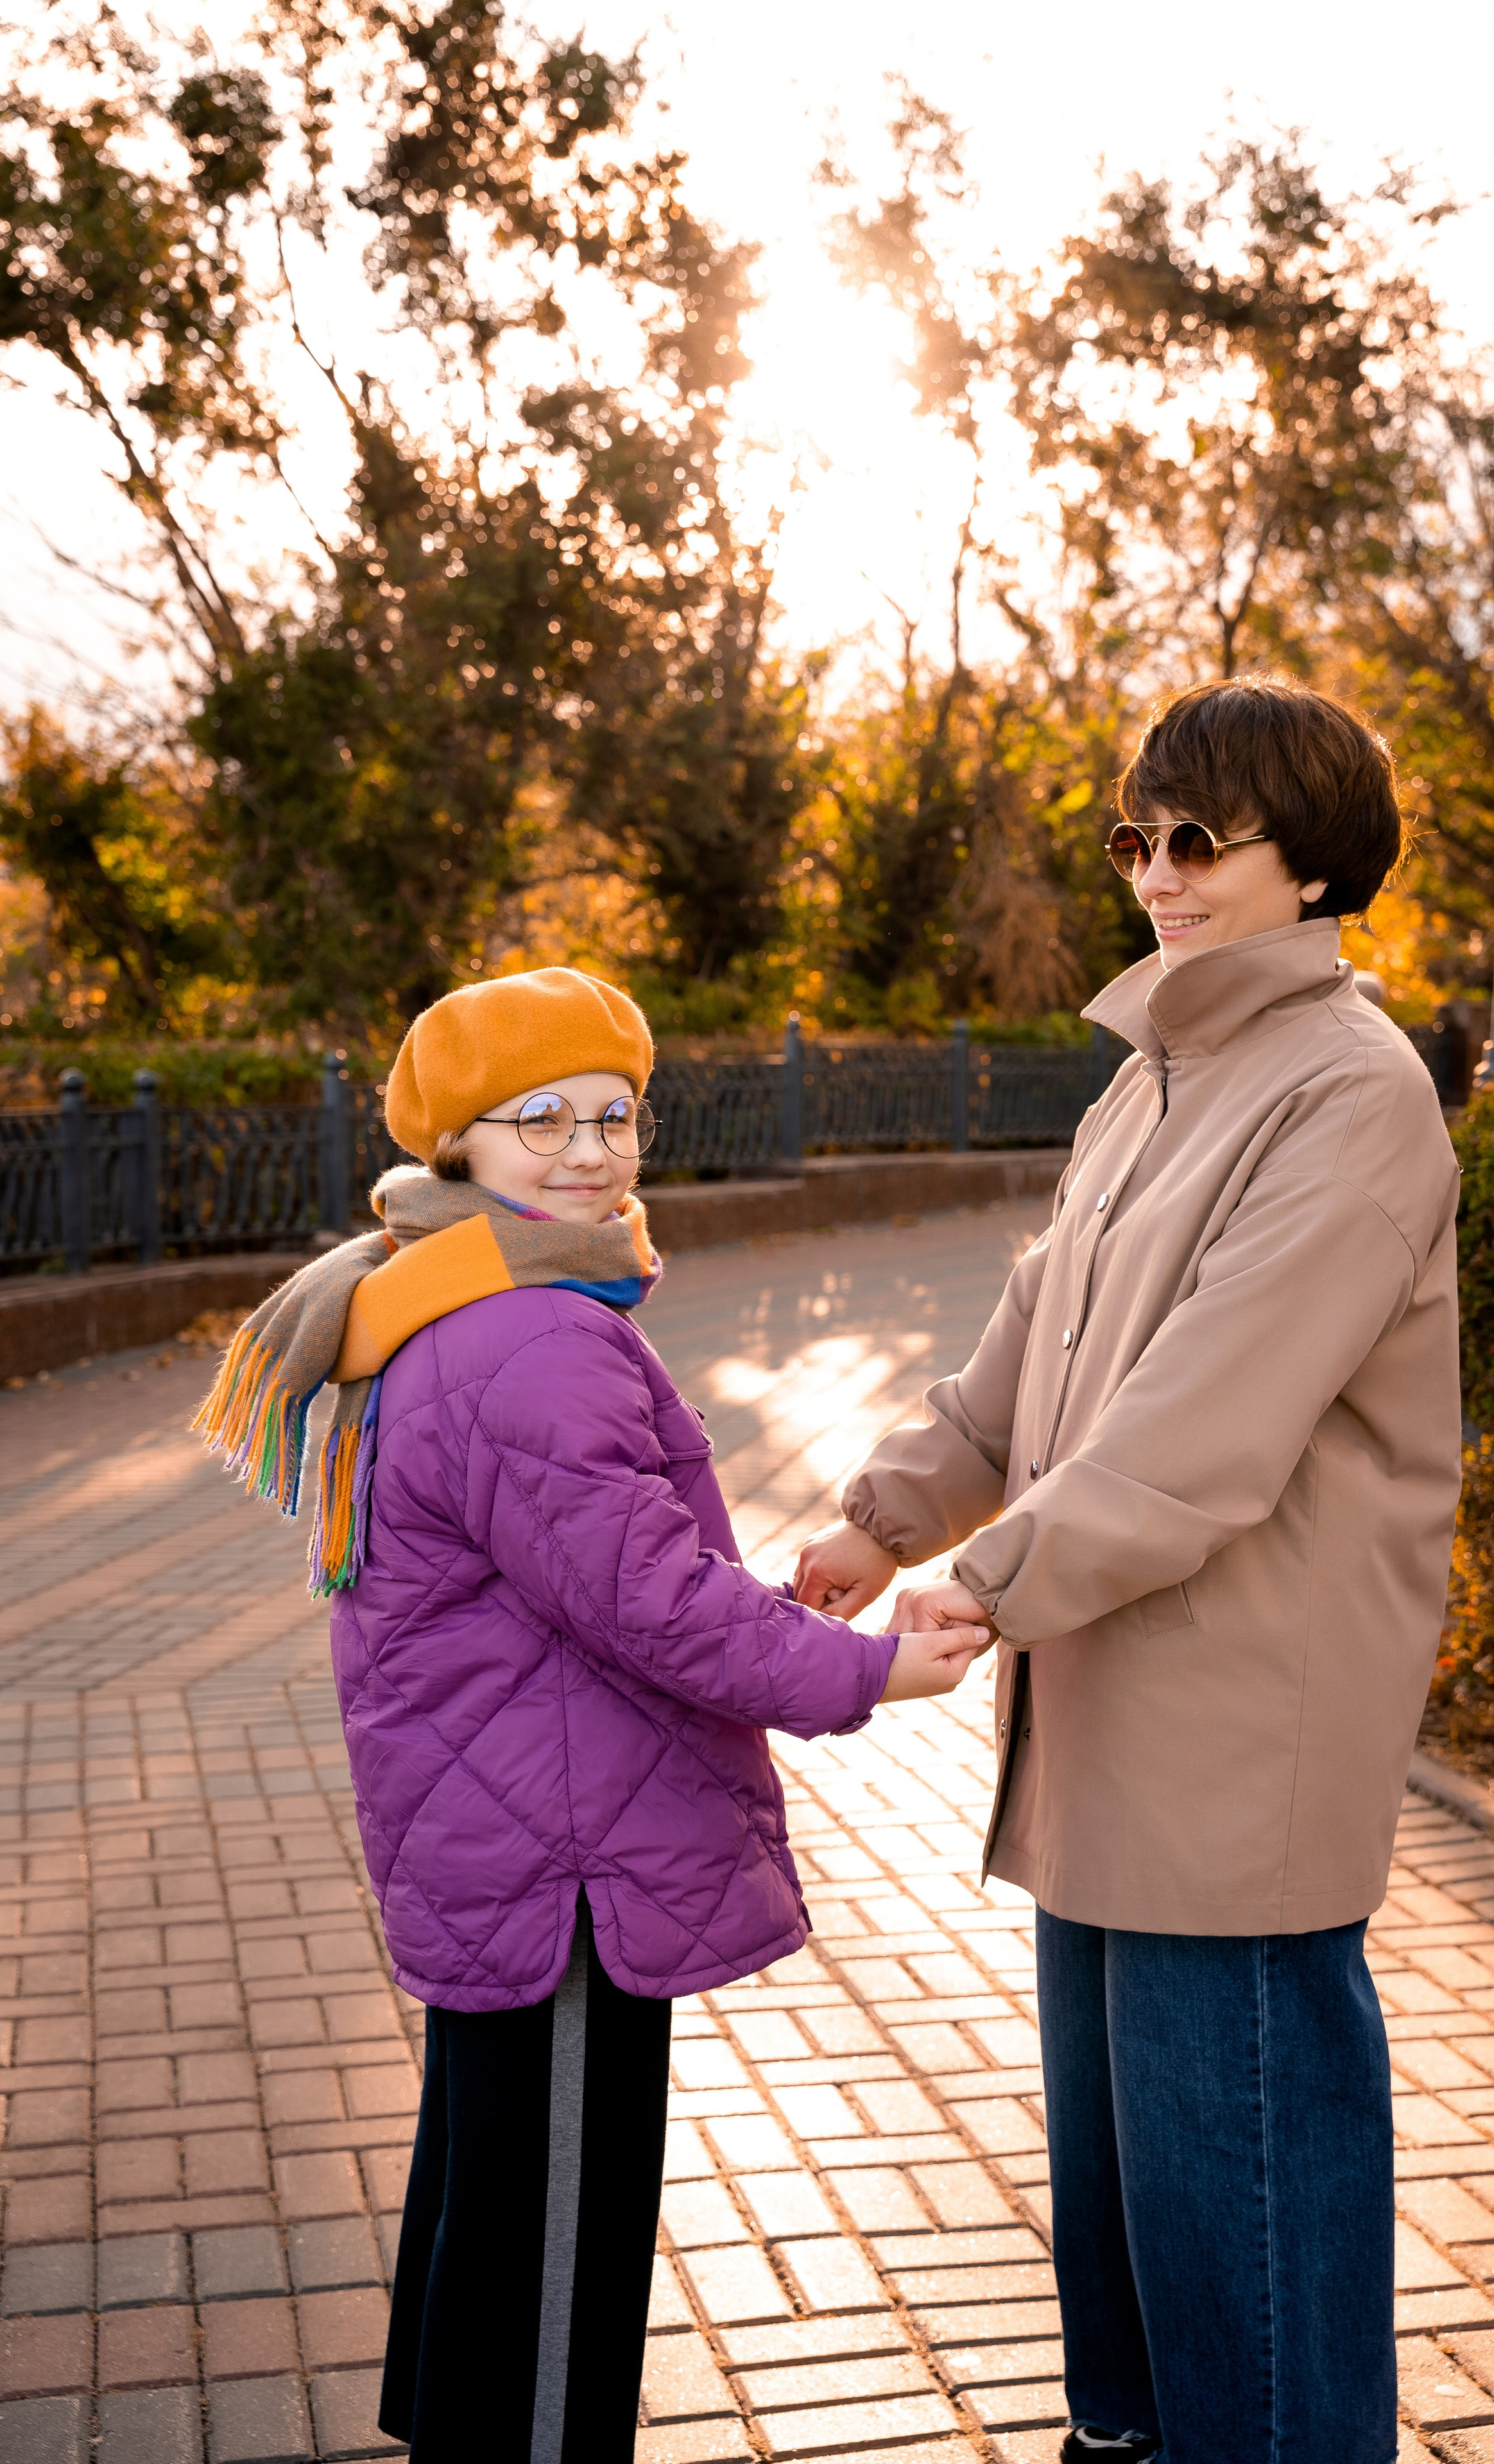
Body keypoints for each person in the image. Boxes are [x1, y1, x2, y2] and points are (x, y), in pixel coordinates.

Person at [194, 966, 989, 2464]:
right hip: (565, 1854)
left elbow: (604, 1572)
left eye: (612, 1115)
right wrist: (870, 1671)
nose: (584, 1149)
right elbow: (648, 1604)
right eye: (537, 1119)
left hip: (518, 1822)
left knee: (493, 2191)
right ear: (460, 1147)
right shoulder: (529, 1334)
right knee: (558, 2235)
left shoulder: (452, 1294)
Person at [795, 678, 1461, 2464]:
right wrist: (885, 1516)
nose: (1157, 877)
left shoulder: (1350, 1096)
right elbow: (1033, 1351)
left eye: (1199, 842)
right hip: (1102, 1717)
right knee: (1127, 2255)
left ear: (1312, 862)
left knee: (1244, 2243)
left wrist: (994, 1580)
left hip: (1241, 1739)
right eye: (1136, 842)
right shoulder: (1155, 1078)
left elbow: (1206, 1422)